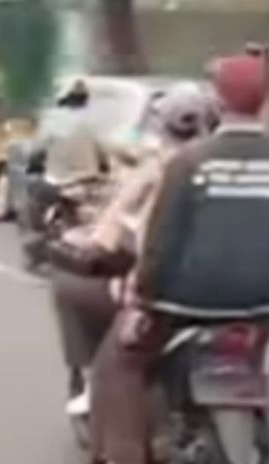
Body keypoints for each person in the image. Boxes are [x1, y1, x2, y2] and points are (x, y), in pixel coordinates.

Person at [91, 54, 269, 464]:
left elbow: (161, 245)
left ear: (218, 102)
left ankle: (124, 455)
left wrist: (142, 303)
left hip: (189, 308)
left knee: (119, 365)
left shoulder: (190, 163)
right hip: (262, 308)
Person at [45, 83, 211, 417]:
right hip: (242, 295)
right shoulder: (228, 161)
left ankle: (104, 403)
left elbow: (138, 238)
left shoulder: (166, 170)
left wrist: (132, 282)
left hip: (176, 294)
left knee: (117, 355)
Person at [21, 79, 108, 270]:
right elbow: (103, 155)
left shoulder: (52, 119)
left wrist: (32, 163)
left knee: (32, 203)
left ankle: (34, 249)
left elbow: (37, 149)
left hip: (57, 182)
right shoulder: (95, 122)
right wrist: (102, 170)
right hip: (87, 184)